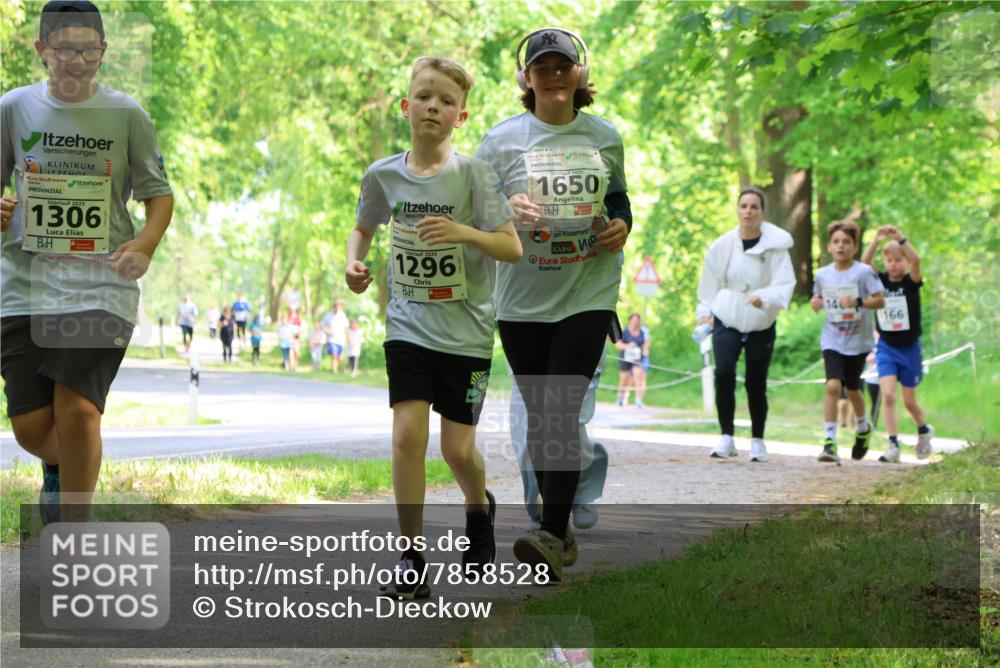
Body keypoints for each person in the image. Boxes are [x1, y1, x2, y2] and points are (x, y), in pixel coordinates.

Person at [345, 56, 521, 599]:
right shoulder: (383, 174)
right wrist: (354, 264)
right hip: (408, 326)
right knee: (406, 435)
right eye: (424, 96)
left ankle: (477, 507)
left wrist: (463, 232)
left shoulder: (475, 176)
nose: (433, 106)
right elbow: (363, 227)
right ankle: (411, 557)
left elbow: (511, 247)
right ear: (406, 106)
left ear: (460, 117)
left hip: (466, 334)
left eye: (446, 101)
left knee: (457, 451)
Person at [0, 0, 173, 523]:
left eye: (88, 51)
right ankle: (70, 463)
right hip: (24, 284)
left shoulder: (126, 115)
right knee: (33, 429)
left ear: (104, 51)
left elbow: (158, 194)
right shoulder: (12, 108)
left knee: (77, 410)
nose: (76, 61)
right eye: (65, 50)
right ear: (41, 51)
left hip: (101, 286)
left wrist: (143, 244)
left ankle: (73, 540)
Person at [476, 27, 631, 580]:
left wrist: (621, 227)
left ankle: (547, 528)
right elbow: (476, 208)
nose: (555, 74)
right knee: (542, 415)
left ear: (580, 73)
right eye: (543, 66)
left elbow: (618, 198)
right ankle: (558, 526)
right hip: (521, 293)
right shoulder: (500, 140)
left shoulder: (604, 136)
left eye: (563, 65)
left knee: (561, 406)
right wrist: (504, 206)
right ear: (527, 77)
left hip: (587, 288)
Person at [696, 187, 795, 462]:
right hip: (727, 317)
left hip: (761, 322)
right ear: (737, 210)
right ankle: (726, 436)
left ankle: (758, 440)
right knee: (724, 374)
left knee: (755, 382)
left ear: (762, 212)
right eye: (744, 206)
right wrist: (704, 312)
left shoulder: (776, 248)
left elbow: (785, 283)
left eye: (754, 206)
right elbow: (709, 283)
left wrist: (764, 297)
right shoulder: (723, 245)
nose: (748, 211)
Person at [811, 219, 885, 463]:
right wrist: (816, 303)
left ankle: (862, 428)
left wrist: (858, 303)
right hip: (832, 338)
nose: (841, 246)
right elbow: (818, 298)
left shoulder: (863, 272)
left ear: (854, 246)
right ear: (829, 247)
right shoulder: (822, 274)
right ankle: (830, 441)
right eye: (836, 242)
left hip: (858, 340)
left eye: (846, 242)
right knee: (833, 386)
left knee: (853, 389)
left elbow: (880, 300)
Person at [510, 355, 608, 531]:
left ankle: (581, 492)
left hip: (581, 338)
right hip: (527, 340)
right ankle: (539, 508)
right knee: (528, 433)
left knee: (569, 425)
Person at [861, 224, 933, 462]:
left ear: (904, 263)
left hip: (909, 348)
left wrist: (900, 237)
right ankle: (893, 444)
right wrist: (877, 240)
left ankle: (923, 429)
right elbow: (864, 262)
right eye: (889, 260)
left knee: (909, 402)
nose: (894, 264)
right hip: (886, 347)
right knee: (888, 395)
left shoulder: (911, 282)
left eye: (898, 260)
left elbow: (916, 259)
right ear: (885, 262)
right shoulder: (879, 281)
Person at [615, 313, 647, 409]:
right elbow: (618, 345)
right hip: (625, 358)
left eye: (637, 321)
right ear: (630, 321)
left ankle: (638, 400)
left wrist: (645, 351)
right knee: (624, 380)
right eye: (634, 321)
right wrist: (628, 346)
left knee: (638, 377)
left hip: (637, 359)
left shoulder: (641, 332)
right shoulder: (624, 331)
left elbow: (644, 344)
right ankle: (620, 398)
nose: (635, 323)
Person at [324, 299, 348, 373]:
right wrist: (327, 331)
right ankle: (334, 370)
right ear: (334, 307)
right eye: (336, 307)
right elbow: (323, 326)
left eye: (339, 307)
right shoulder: (328, 315)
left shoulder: (342, 315)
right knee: (334, 355)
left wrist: (348, 337)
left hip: (340, 339)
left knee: (338, 356)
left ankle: (337, 368)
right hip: (332, 339)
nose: (338, 308)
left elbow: (346, 326)